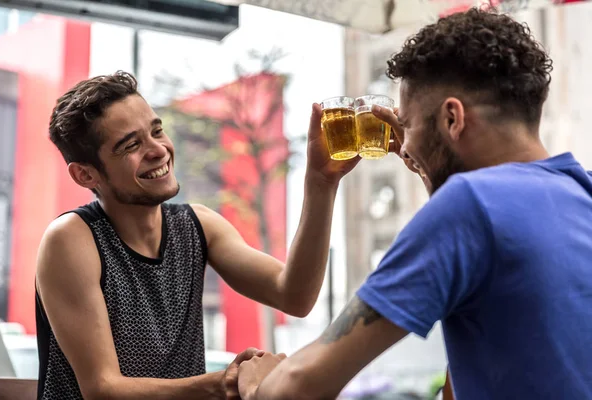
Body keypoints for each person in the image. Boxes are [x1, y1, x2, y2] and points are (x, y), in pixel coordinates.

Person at [236, 7, 592, 400]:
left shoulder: (470, 206)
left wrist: (256, 384)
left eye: (408, 124)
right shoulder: (581, 192)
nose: (403, 145)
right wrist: (431, 172)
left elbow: (298, 387)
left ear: (452, 119)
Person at [35, 71, 359, 399]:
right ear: (85, 174)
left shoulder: (197, 225)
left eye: (156, 131)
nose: (158, 150)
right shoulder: (71, 239)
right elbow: (102, 389)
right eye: (131, 144)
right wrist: (225, 382)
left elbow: (295, 296)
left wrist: (321, 182)